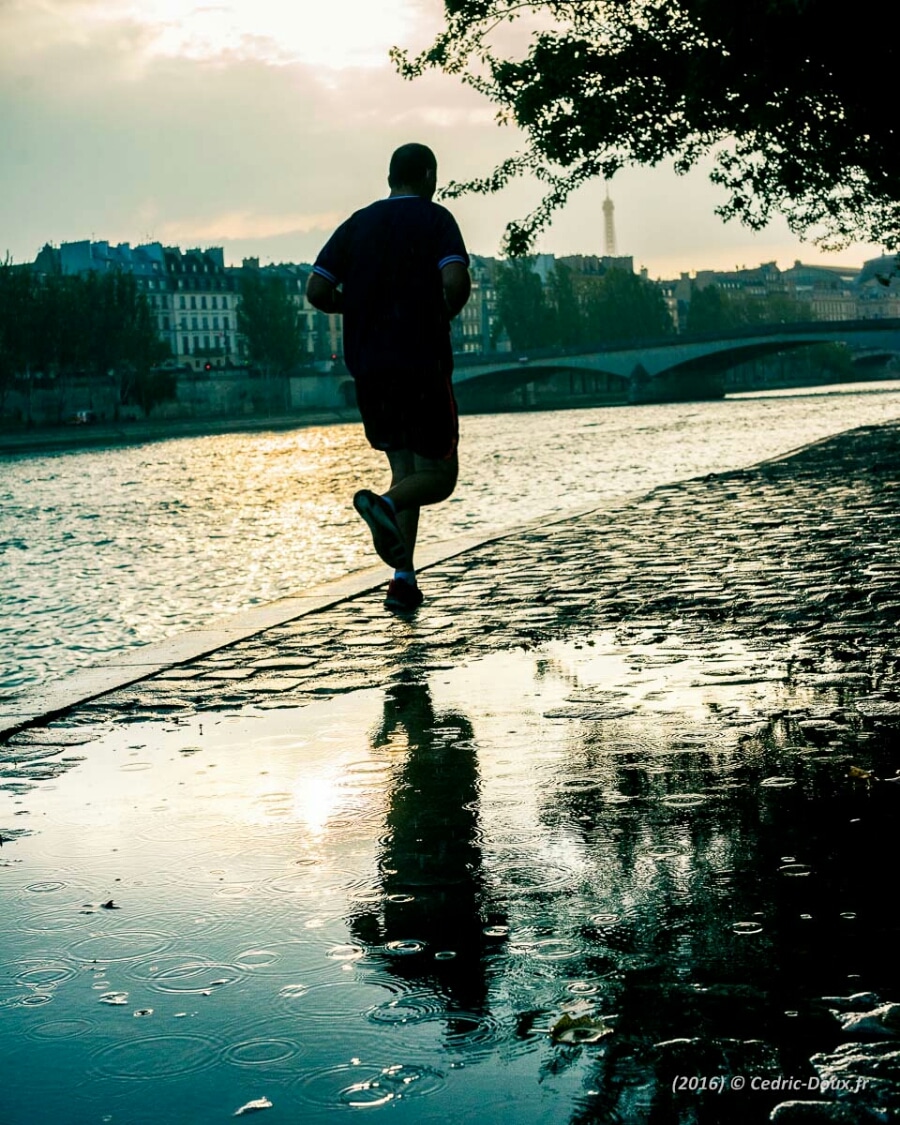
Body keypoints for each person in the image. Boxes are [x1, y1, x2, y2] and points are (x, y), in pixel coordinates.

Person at [306, 143, 471, 612]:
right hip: (420, 361)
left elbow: (317, 289)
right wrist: (443, 314)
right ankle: (380, 504)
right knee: (439, 476)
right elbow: (455, 283)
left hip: (370, 368)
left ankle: (403, 579)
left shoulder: (357, 223)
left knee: (407, 472)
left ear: (390, 177)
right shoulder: (436, 219)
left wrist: (356, 307)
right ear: (428, 175)